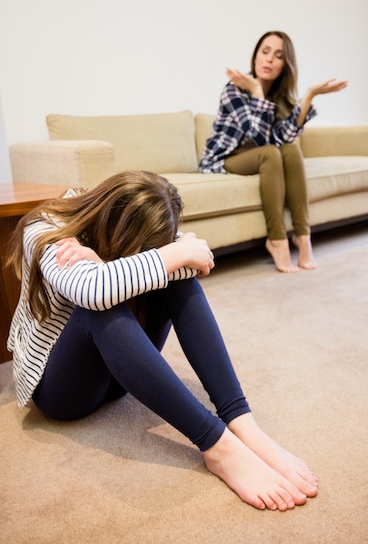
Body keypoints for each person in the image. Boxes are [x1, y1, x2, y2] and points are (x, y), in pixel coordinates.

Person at [7, 170, 318, 511]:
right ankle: (219, 448)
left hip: (118, 371)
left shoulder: (127, 220)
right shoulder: (48, 229)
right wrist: (172, 255)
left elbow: (197, 261)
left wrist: (119, 264)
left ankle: (243, 424)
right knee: (100, 308)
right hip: (62, 390)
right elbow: (92, 292)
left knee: (178, 280)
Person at [200, 30, 348, 273]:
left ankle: (302, 235)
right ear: (255, 56)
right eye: (265, 52)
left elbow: (284, 138)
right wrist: (257, 92)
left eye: (278, 56)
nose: (269, 59)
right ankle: (277, 240)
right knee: (271, 153)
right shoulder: (234, 89)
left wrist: (309, 95)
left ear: (285, 65)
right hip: (225, 159)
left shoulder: (280, 95)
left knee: (288, 150)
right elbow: (259, 140)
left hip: (260, 155)